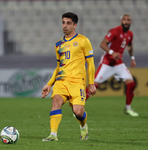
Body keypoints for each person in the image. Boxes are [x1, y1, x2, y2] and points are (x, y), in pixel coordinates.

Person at [42, 12, 96, 141]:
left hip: (78, 82)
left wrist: (91, 83)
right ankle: (53, 135)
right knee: (55, 102)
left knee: (78, 112)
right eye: (63, 22)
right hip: (61, 82)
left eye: (68, 23)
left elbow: (91, 63)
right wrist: (49, 84)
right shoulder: (58, 44)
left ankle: (83, 126)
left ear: (75, 25)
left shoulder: (83, 40)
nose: (65, 26)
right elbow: (58, 67)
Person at [85, 13, 138, 117]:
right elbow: (102, 44)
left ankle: (128, 108)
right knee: (93, 86)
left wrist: (132, 58)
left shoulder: (130, 34)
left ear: (130, 22)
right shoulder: (114, 31)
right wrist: (112, 53)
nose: (126, 22)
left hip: (118, 64)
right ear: (121, 21)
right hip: (107, 63)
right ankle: (79, 107)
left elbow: (130, 46)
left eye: (128, 20)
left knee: (131, 84)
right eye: (124, 20)